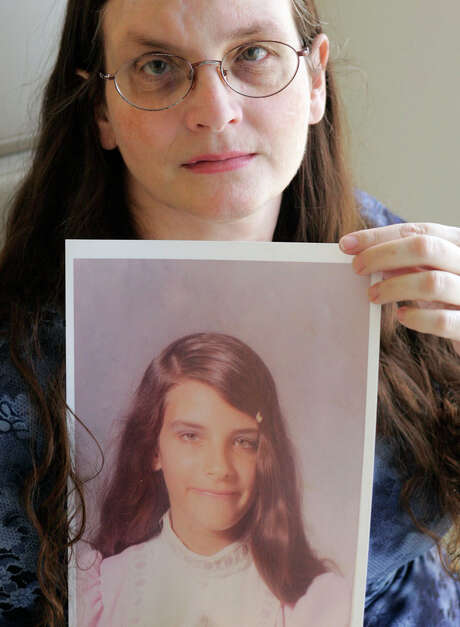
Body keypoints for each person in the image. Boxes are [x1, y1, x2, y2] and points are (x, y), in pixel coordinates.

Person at [0, 0, 458, 625]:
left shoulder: (391, 253)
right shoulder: (17, 354)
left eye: (253, 54)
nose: (215, 112)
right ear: (101, 109)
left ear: (315, 79)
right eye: (157, 64)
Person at [77, 332, 350, 626]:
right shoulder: (103, 590)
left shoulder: (312, 605)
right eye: (191, 436)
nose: (220, 468)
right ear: (154, 450)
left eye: (243, 442)